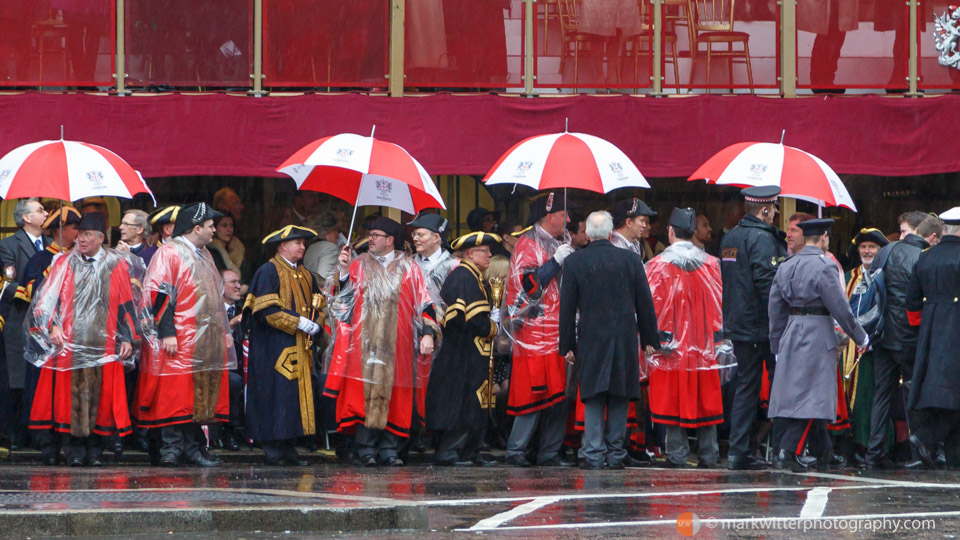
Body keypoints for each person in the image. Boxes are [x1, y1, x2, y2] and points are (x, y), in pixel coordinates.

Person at [27, 213, 143, 467]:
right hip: (69, 344)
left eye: (87, 235)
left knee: (101, 399)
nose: (81, 239)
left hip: (104, 343)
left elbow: (126, 305)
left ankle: (95, 449)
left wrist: (128, 340)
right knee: (70, 398)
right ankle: (73, 449)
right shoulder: (63, 263)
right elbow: (45, 302)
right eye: (79, 235)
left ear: (101, 238)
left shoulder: (115, 264)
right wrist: (53, 326)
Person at [323, 217, 439, 467]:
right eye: (370, 234)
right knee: (363, 395)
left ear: (390, 240)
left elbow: (427, 304)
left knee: (397, 395)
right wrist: (342, 271)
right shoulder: (359, 265)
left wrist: (428, 333)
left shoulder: (410, 268)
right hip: (363, 346)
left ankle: (390, 449)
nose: (370, 239)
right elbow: (342, 303)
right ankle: (366, 449)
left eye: (376, 234)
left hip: (399, 346)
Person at [135, 203, 235, 467]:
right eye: (210, 225)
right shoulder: (170, 252)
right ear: (196, 227)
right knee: (175, 396)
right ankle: (171, 448)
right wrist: (167, 332)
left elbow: (214, 297)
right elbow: (158, 293)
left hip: (204, 340)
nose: (214, 229)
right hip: (179, 337)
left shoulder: (205, 255)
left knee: (198, 395)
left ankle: (194, 448)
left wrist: (222, 332)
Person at [559, 211, 659, 470]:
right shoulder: (630, 260)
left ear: (589, 234)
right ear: (611, 232)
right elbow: (645, 303)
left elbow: (567, 309)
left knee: (593, 395)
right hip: (624, 337)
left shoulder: (575, 262)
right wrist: (650, 338)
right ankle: (615, 454)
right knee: (619, 394)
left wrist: (567, 345)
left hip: (591, 338)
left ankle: (593, 453)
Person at [768, 218, 869, 472]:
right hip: (817, 331)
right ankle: (787, 451)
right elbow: (841, 308)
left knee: (806, 392)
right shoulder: (824, 266)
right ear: (823, 237)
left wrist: (776, 342)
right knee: (812, 393)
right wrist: (860, 336)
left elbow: (775, 307)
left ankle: (823, 450)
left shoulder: (787, 265)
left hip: (791, 330)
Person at [646, 208, 726, 468]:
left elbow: (651, 308)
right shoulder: (712, 264)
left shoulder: (656, 266)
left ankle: (677, 454)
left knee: (672, 397)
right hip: (704, 344)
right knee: (706, 398)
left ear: (670, 231)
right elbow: (720, 306)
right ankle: (709, 454)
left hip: (671, 345)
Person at [503, 192, 576, 467]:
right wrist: (555, 262)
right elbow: (526, 288)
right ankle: (516, 450)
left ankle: (549, 452)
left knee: (560, 393)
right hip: (533, 331)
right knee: (533, 391)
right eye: (564, 214)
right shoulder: (527, 244)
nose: (569, 219)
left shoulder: (563, 242)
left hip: (558, 329)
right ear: (549, 216)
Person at [243, 225, 324, 466]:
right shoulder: (268, 271)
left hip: (301, 347)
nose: (302, 247)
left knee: (292, 399)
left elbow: (320, 304)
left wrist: (316, 324)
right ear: (282, 245)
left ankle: (290, 447)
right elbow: (264, 311)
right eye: (297, 242)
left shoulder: (307, 274)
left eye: (303, 243)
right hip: (273, 348)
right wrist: (298, 322)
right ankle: (272, 448)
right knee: (274, 395)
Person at [721, 186, 787, 470]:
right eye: (773, 210)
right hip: (762, 325)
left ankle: (739, 450)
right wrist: (781, 320)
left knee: (746, 386)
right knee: (780, 384)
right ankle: (784, 449)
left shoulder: (730, 237)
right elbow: (768, 284)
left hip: (738, 323)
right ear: (764, 210)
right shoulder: (762, 238)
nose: (774, 215)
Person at [425, 231, 502, 467]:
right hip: (461, 354)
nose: (489, 254)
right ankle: (450, 450)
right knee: (461, 401)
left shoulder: (473, 276)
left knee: (475, 401)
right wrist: (494, 326)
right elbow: (473, 321)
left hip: (471, 354)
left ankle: (470, 449)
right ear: (470, 253)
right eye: (484, 251)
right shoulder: (463, 277)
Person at [864, 210, 929, 469]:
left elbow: (873, 287)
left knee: (882, 393)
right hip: (909, 336)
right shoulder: (921, 256)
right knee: (913, 393)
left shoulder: (887, 251)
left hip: (883, 334)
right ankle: (917, 452)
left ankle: (874, 451)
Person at [905, 208, 960, 469]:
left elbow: (911, 305)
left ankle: (953, 457)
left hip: (930, 334)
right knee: (953, 394)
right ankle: (926, 437)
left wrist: (926, 326)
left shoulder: (925, 259)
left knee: (949, 396)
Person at [0, 198, 49, 450]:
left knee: (41, 379)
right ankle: (15, 434)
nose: (46, 213)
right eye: (40, 210)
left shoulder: (53, 245)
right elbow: (7, 283)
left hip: (47, 323)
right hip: (19, 318)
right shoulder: (8, 245)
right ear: (26, 218)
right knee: (16, 379)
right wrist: (35, 292)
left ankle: (39, 432)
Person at [841, 228, 889, 465]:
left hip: (873, 347)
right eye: (863, 247)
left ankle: (867, 445)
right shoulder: (847, 276)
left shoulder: (885, 275)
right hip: (846, 348)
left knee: (867, 397)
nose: (867, 251)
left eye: (872, 247)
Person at [214, 268, 245, 452]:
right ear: (221, 286)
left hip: (244, 364)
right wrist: (230, 324)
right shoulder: (213, 309)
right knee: (234, 382)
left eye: (239, 282)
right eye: (233, 282)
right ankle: (229, 432)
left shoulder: (244, 310)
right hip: (219, 366)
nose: (238, 286)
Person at [303, 211, 343, 284]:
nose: (337, 234)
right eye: (335, 230)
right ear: (326, 231)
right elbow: (324, 281)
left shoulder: (311, 247)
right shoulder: (330, 248)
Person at [208, 213, 245, 279]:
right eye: (224, 225)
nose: (229, 229)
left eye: (231, 226)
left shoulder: (239, 249)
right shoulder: (209, 252)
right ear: (215, 228)